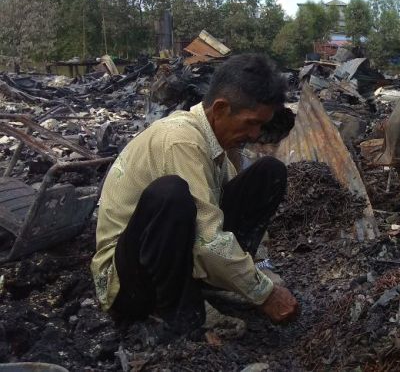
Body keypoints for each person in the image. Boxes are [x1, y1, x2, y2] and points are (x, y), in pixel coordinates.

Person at [91, 54, 299, 335]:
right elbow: (207, 239)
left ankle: (214, 283)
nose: (255, 134)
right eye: (250, 123)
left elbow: (218, 216)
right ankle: (177, 311)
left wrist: (254, 272)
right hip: (128, 282)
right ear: (221, 109)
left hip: (175, 259)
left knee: (268, 172)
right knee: (171, 194)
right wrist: (264, 293)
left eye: (260, 125)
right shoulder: (181, 141)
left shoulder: (213, 143)